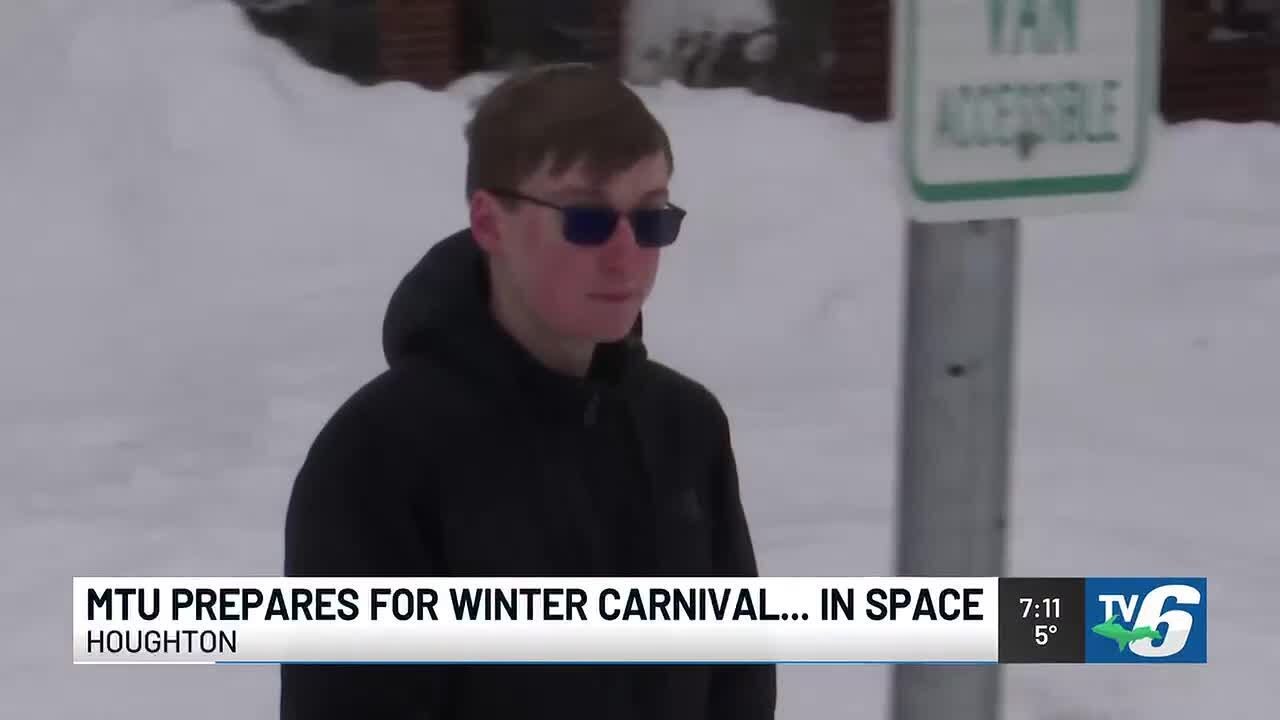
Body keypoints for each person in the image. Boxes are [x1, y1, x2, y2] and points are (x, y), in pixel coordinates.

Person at [280, 63, 776, 720]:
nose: (626, 255)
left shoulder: (685, 427)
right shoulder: (381, 454)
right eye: (588, 220)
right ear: (490, 222)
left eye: (651, 219)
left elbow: (738, 688)